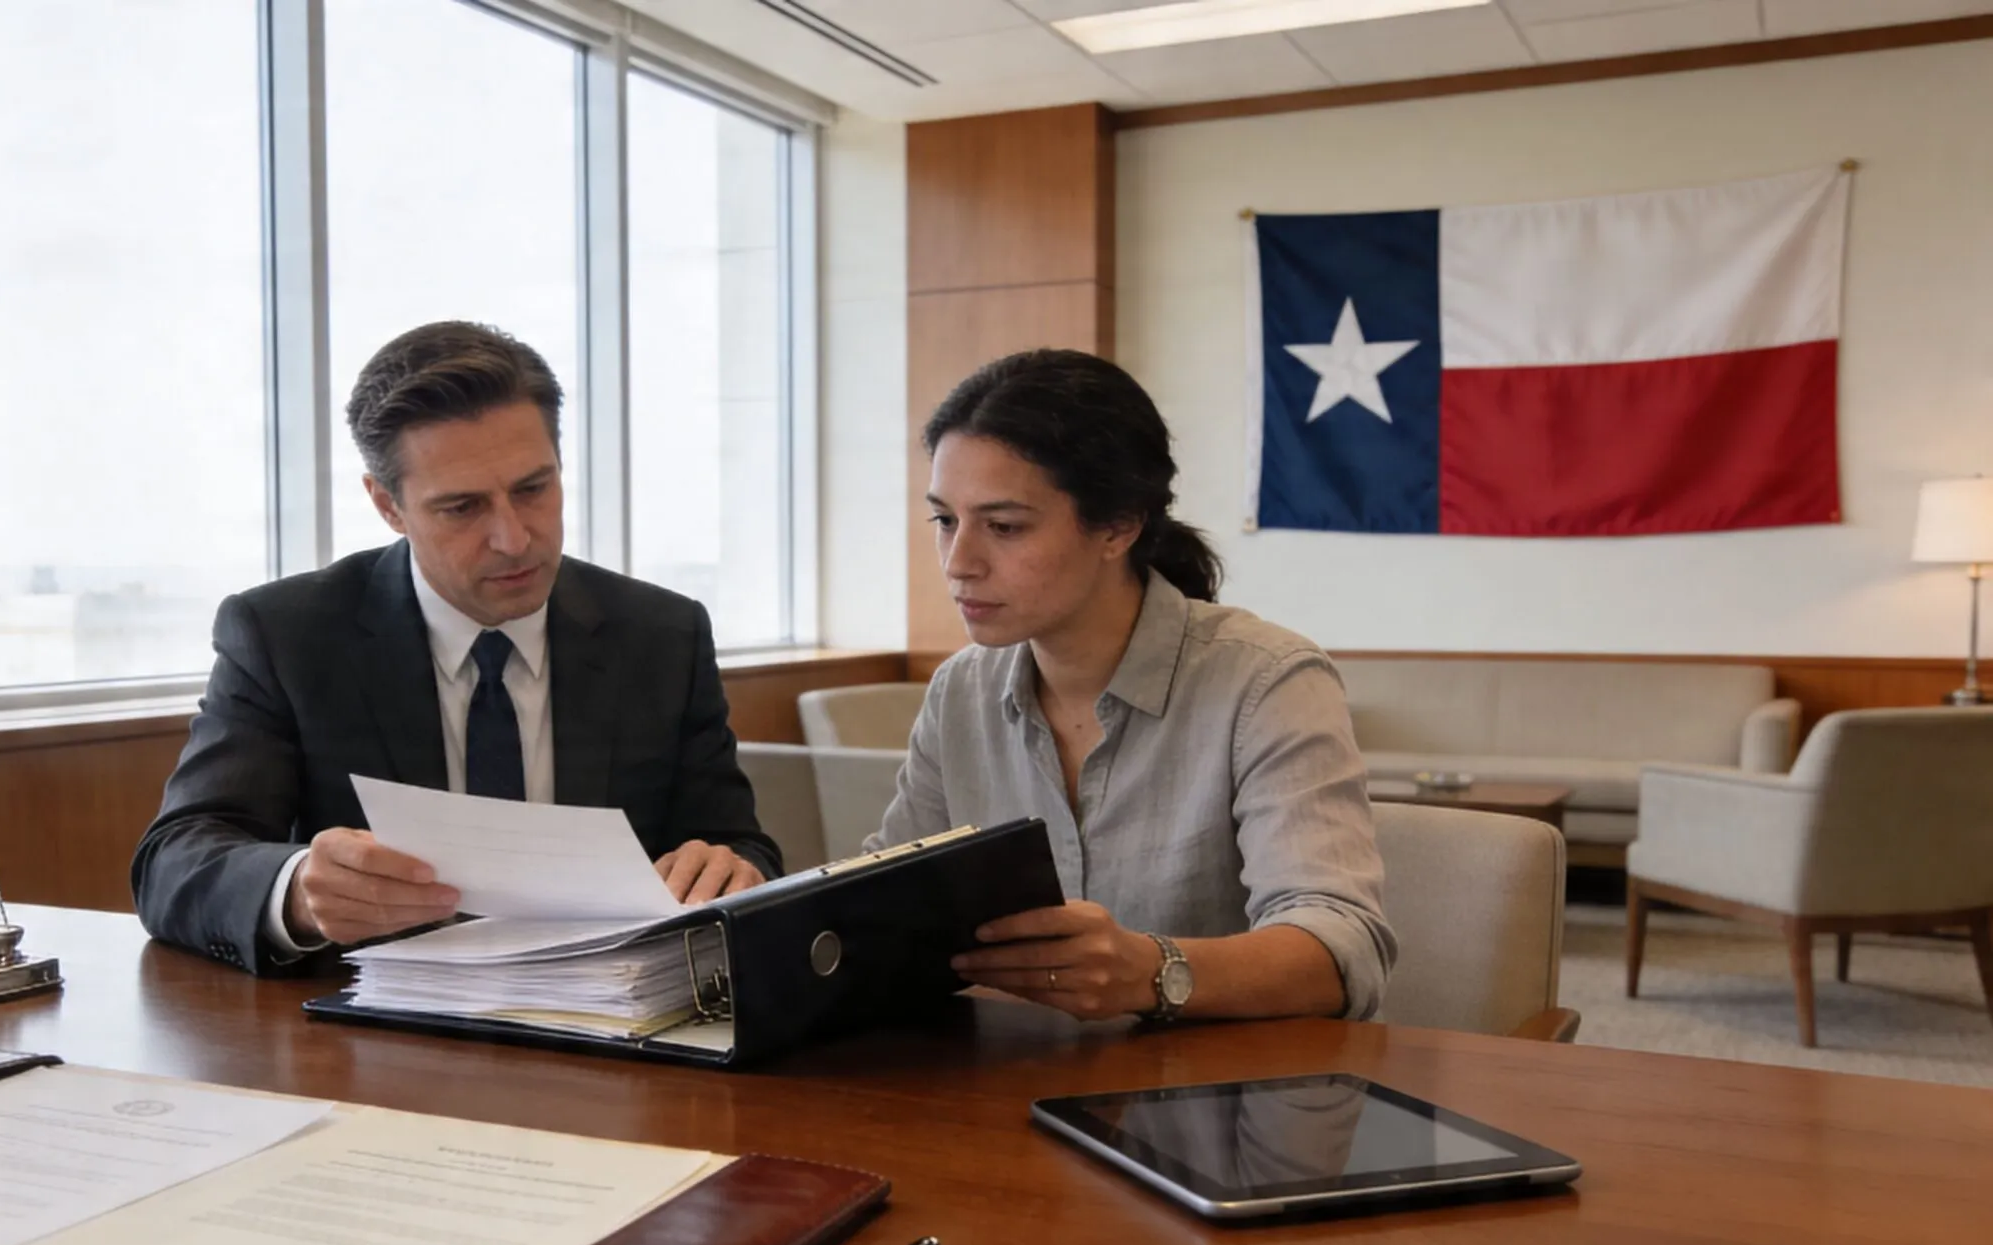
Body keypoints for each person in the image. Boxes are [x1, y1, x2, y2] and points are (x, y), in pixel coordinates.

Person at [134, 321, 779, 973]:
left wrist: (732, 869)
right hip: (373, 1041)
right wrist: (300, 891)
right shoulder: (288, 635)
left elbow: (738, 844)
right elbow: (175, 861)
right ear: (388, 504)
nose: (513, 538)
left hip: (616, 1026)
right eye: (462, 508)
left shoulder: (662, 635)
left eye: (533, 489)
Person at [875, 349, 1394, 1022]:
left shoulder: (1265, 680)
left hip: (1218, 1102)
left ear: (1119, 526)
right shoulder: (960, 693)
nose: (958, 562)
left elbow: (1341, 949)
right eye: (945, 520)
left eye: (1003, 527)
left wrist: (1154, 972)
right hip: (1007, 1083)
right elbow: (889, 897)